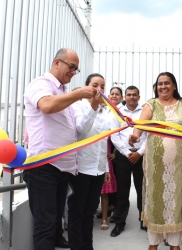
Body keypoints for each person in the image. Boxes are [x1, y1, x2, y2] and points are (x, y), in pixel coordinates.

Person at [23, 48, 98, 249]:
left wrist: (92, 105)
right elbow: (47, 105)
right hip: (43, 167)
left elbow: (76, 131)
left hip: (62, 168)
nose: (74, 72)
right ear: (57, 62)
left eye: (76, 69)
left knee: (54, 225)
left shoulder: (64, 93)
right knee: (45, 227)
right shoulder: (41, 84)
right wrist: (79, 94)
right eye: (71, 67)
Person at [129, 72, 182, 250]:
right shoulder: (150, 105)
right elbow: (139, 126)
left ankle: (175, 244)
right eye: (160, 84)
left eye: (167, 83)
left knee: (176, 201)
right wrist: (135, 137)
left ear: (174, 85)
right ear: (156, 87)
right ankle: (153, 243)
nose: (163, 86)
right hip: (155, 165)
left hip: (179, 164)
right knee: (155, 200)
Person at [68, 73, 110, 249]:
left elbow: (103, 142)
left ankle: (88, 246)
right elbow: (81, 132)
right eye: (95, 85)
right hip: (81, 169)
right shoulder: (77, 106)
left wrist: (106, 167)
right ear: (87, 87)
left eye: (102, 86)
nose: (99, 90)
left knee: (90, 212)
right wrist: (92, 106)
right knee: (77, 212)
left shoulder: (106, 110)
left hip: (98, 169)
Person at [110, 86, 147, 237]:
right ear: (125, 97)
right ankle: (120, 222)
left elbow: (149, 134)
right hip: (123, 156)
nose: (132, 97)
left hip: (141, 156)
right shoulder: (118, 112)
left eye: (134, 95)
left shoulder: (145, 112)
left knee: (142, 190)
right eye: (129, 95)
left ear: (139, 96)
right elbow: (114, 134)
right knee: (122, 191)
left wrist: (139, 153)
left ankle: (144, 220)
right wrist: (126, 153)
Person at [97, 87, 122, 227]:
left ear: (121, 97)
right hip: (100, 153)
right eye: (111, 94)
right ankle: (108, 210)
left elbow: (120, 135)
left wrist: (116, 154)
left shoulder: (121, 111)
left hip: (114, 155)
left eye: (117, 94)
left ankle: (113, 211)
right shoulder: (103, 110)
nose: (114, 96)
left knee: (115, 186)